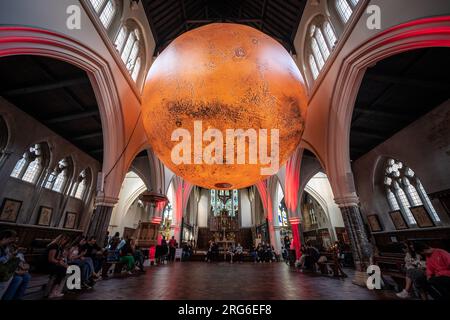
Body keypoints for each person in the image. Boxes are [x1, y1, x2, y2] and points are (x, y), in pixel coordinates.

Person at [46, 234, 70, 298]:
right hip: (47, 265)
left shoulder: (59, 247)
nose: (65, 243)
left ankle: (57, 290)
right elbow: (51, 259)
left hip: (53, 264)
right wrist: (60, 263)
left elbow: (57, 258)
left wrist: (62, 262)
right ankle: (52, 292)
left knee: (66, 269)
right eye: (65, 241)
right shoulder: (54, 246)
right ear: (61, 240)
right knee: (62, 270)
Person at [0, 230, 19, 299]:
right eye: (10, 239)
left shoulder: (5, 246)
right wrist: (8, 256)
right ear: (4, 238)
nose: (11, 241)